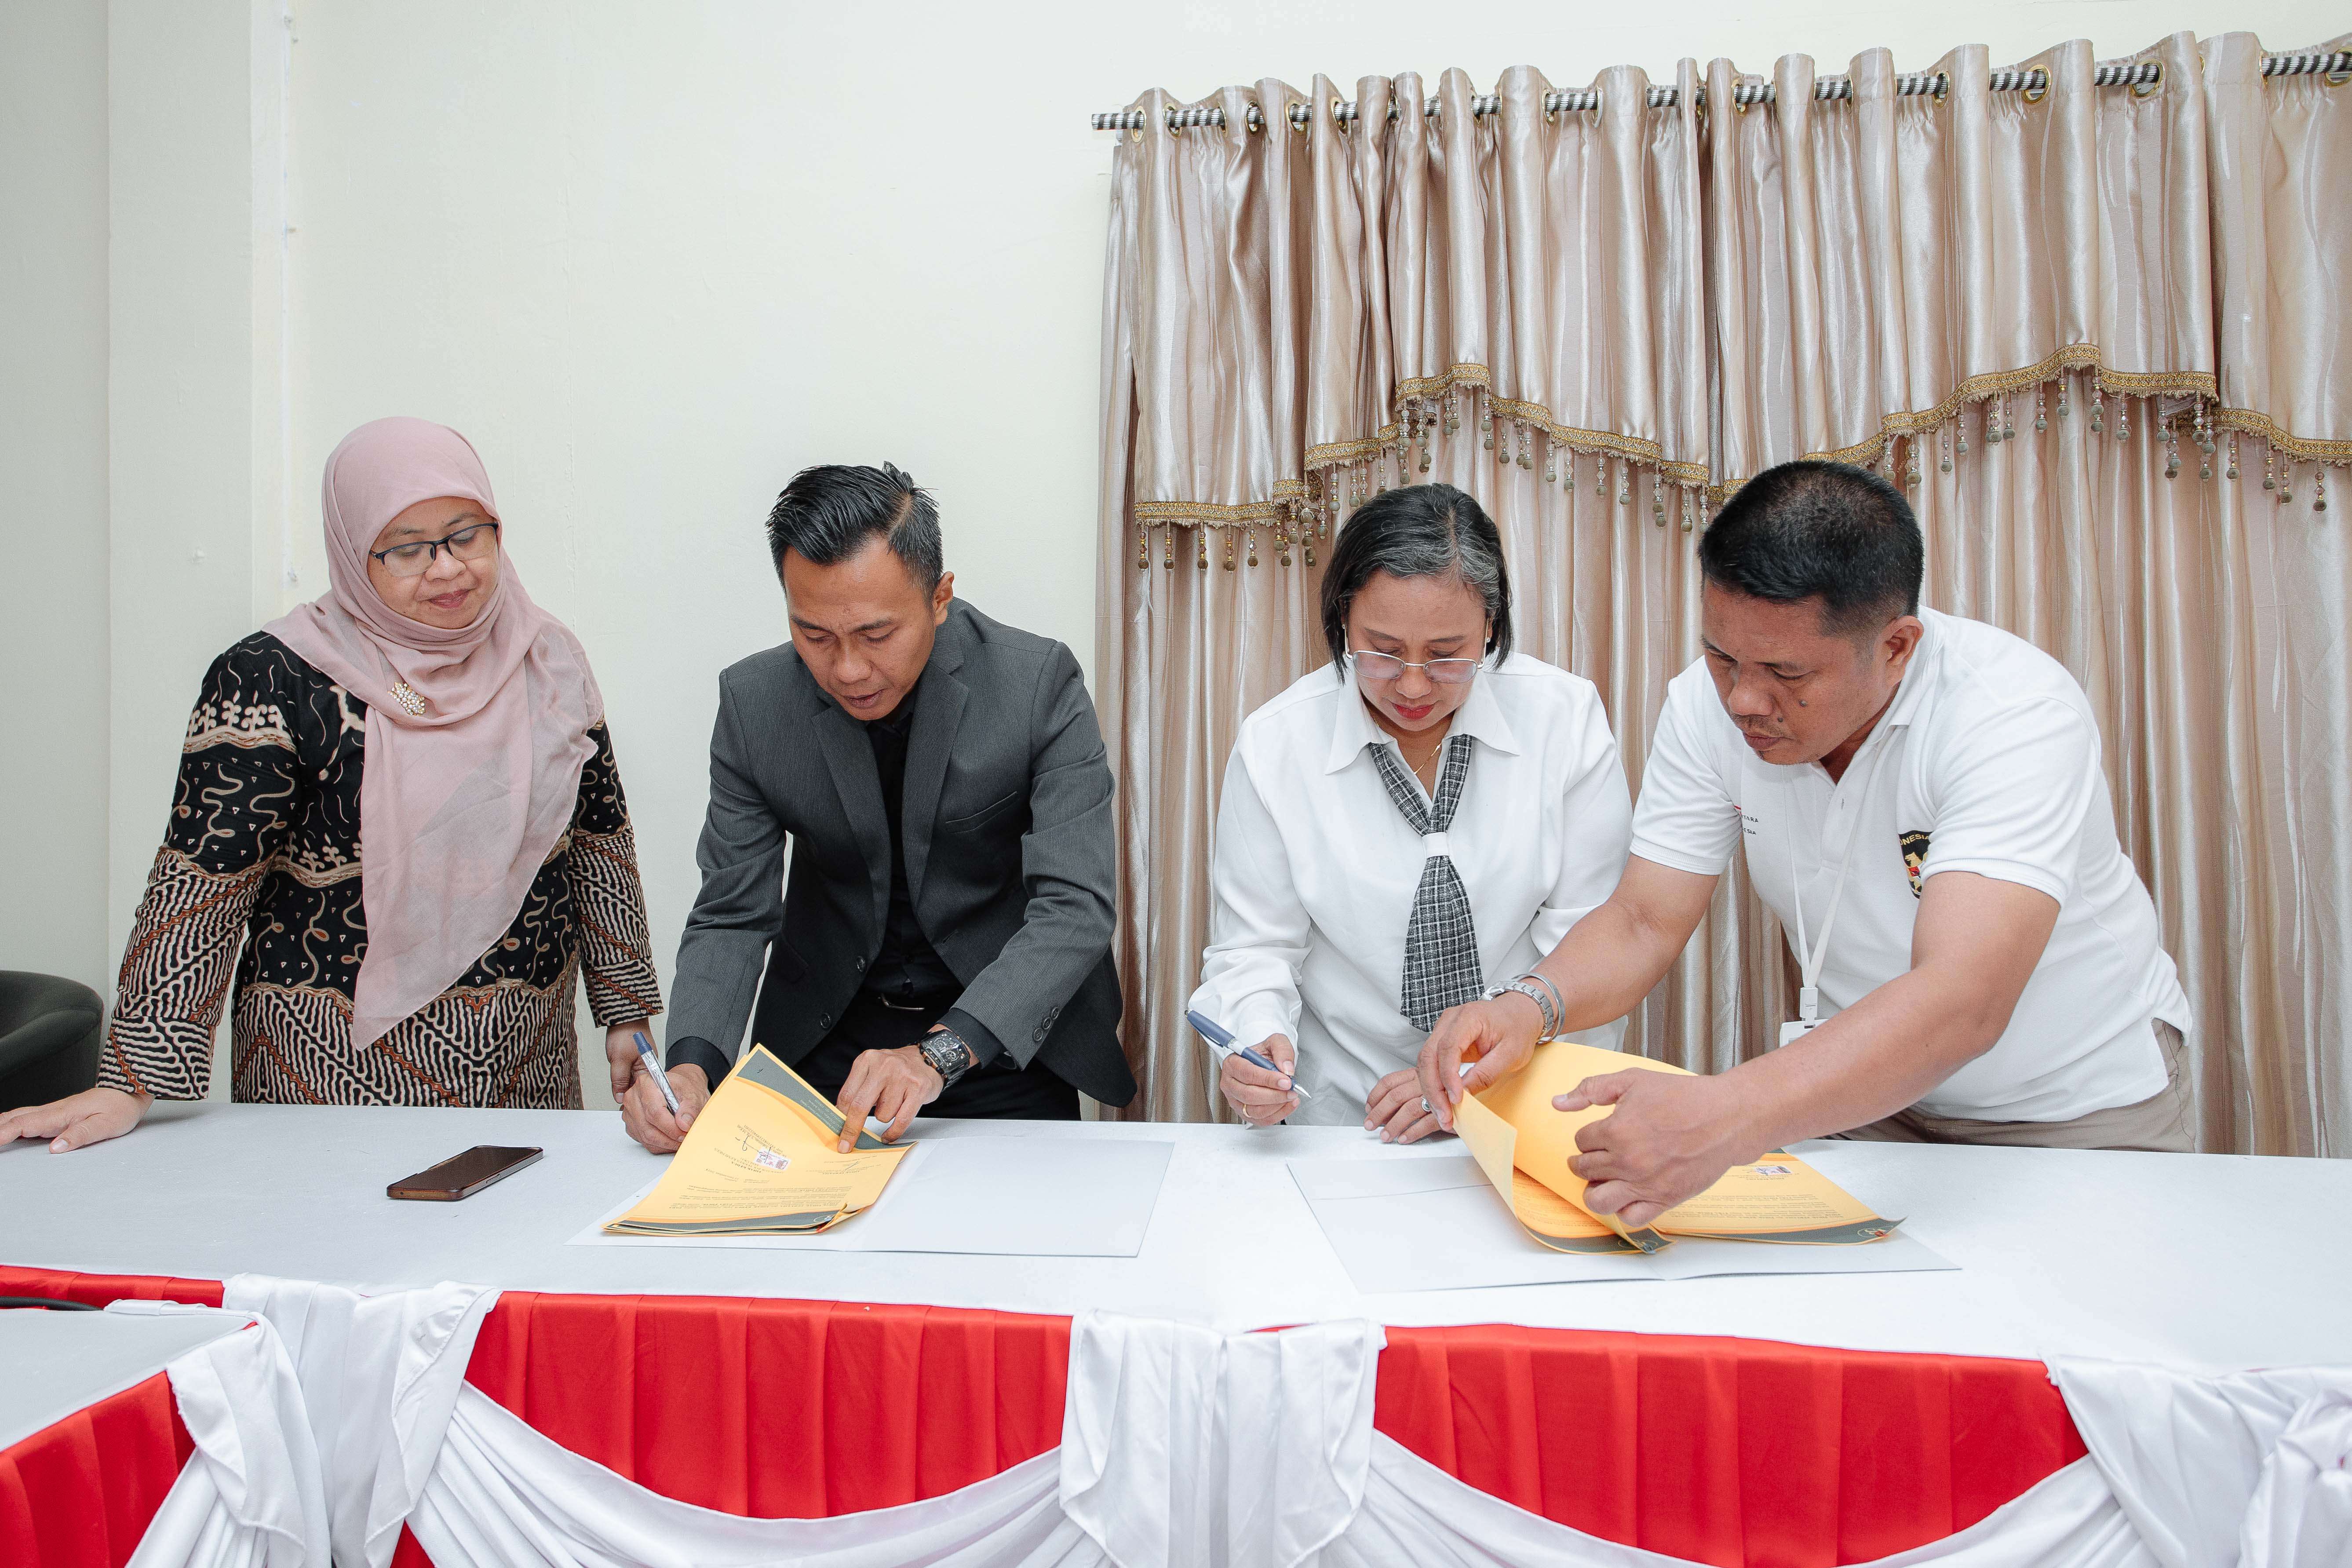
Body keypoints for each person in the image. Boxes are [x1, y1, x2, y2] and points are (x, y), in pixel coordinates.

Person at [1415, 459, 2196, 1224]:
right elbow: (1643, 919)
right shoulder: (1705, 707)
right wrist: (1527, 1005)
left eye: (1786, 673)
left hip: (2072, 1104)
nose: (1743, 700)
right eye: (1722, 656)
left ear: (1895, 647)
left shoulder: (2010, 716)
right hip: (1865, 1099)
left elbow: (1963, 998)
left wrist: (1724, 1113)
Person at [0, 417, 662, 1152]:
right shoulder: (272, 678)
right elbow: (202, 883)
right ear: (352, 551)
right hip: (329, 1072)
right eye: (406, 548)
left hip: (521, 1061)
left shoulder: (547, 659)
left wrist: (625, 1009)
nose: (447, 568)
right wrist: (130, 1079)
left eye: (466, 535)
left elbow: (598, 841)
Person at [624, 463, 1133, 1154]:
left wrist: (937, 1055)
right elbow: (732, 912)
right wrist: (693, 1063)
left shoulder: (1035, 685)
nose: (848, 670)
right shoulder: (755, 704)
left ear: (940, 597)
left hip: (997, 1041)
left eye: (874, 634)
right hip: (826, 1041)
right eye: (814, 636)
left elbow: (1074, 906)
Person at [1189, 483, 1632, 1140]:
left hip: (1522, 1103)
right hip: (1341, 1121)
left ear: (1491, 624)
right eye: (1384, 651)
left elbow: (1593, 946)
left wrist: (1471, 1081)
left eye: (1447, 654)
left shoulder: (1562, 721)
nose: (1415, 684)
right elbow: (1256, 948)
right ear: (1343, 618)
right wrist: (1255, 1043)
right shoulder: (1277, 744)